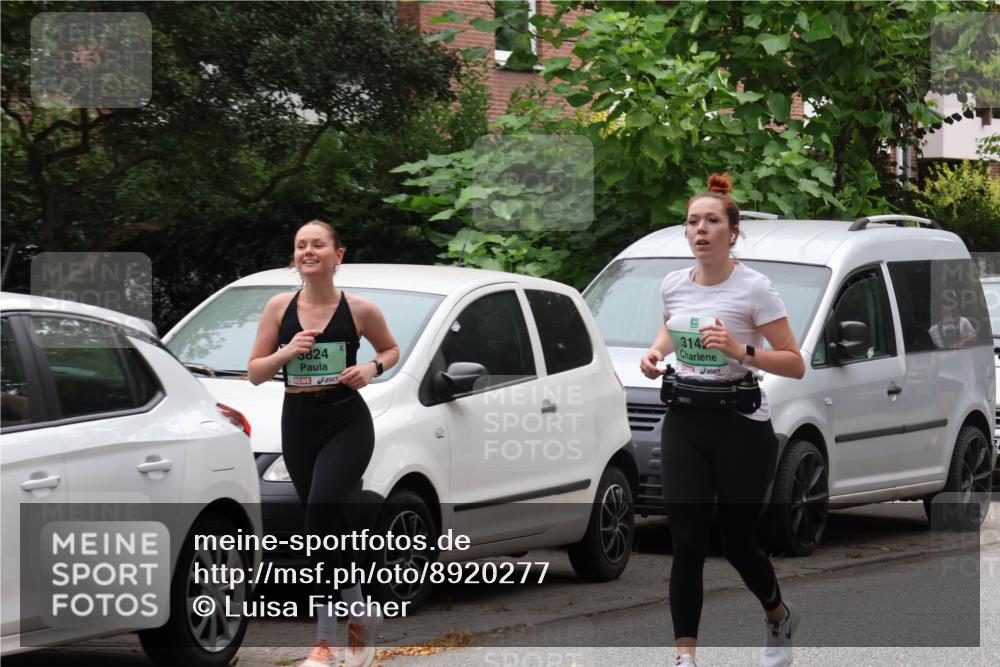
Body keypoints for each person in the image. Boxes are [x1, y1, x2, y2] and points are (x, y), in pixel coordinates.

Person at [639, 174, 806, 667]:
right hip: (686, 420)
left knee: (737, 545)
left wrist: (740, 350)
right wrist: (654, 352)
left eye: (712, 221)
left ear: (732, 232)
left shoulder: (755, 288)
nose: (700, 230)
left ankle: (778, 616)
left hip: (741, 427)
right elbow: (672, 329)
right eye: (693, 222)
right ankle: (685, 658)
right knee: (687, 542)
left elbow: (794, 362)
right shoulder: (674, 284)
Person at [248, 220, 400, 667]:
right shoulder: (279, 307)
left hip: (347, 422)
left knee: (317, 521)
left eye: (318, 244)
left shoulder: (360, 309)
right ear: (294, 257)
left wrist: (371, 369)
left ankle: (323, 641)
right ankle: (361, 616)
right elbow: (255, 372)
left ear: (338, 255)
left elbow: (390, 350)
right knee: (334, 526)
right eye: (301, 246)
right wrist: (285, 352)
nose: (308, 251)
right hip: (298, 423)